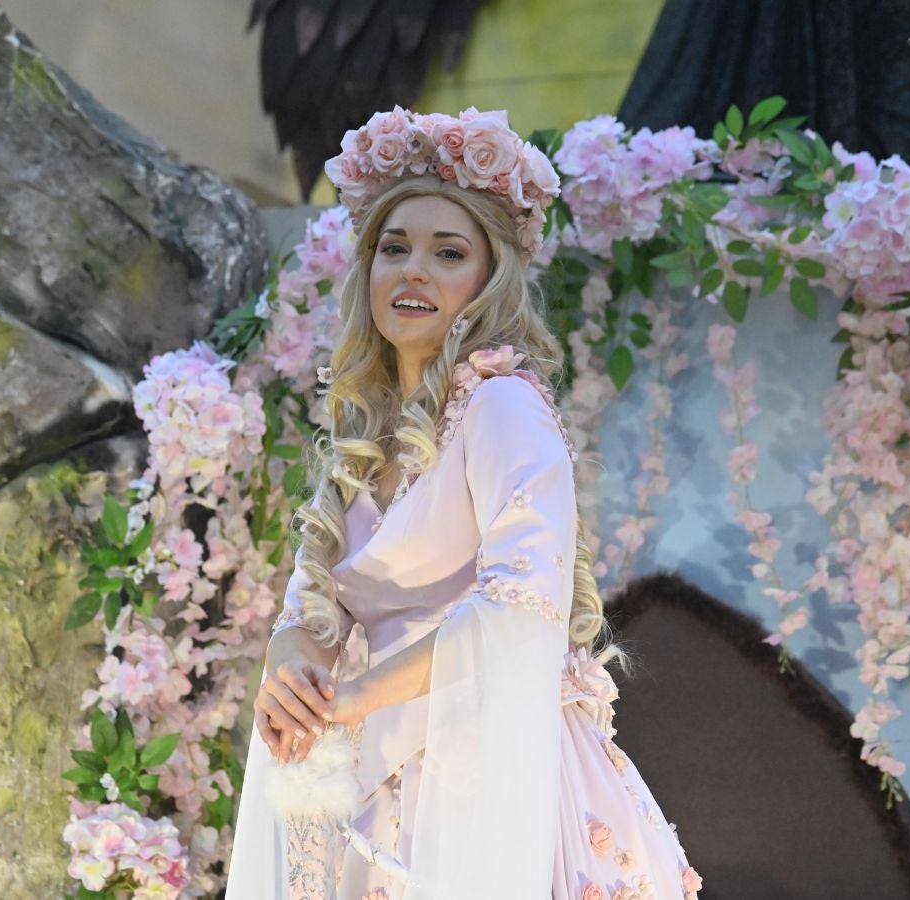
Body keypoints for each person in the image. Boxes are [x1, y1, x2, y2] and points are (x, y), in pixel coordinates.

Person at [226, 107, 702, 899]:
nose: (413, 271)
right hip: (375, 785)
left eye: (447, 253)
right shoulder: (365, 431)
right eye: (393, 248)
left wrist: (351, 697)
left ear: (487, 281)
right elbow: (309, 610)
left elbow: (519, 607)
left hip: (482, 776)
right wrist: (290, 673)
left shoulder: (502, 408)